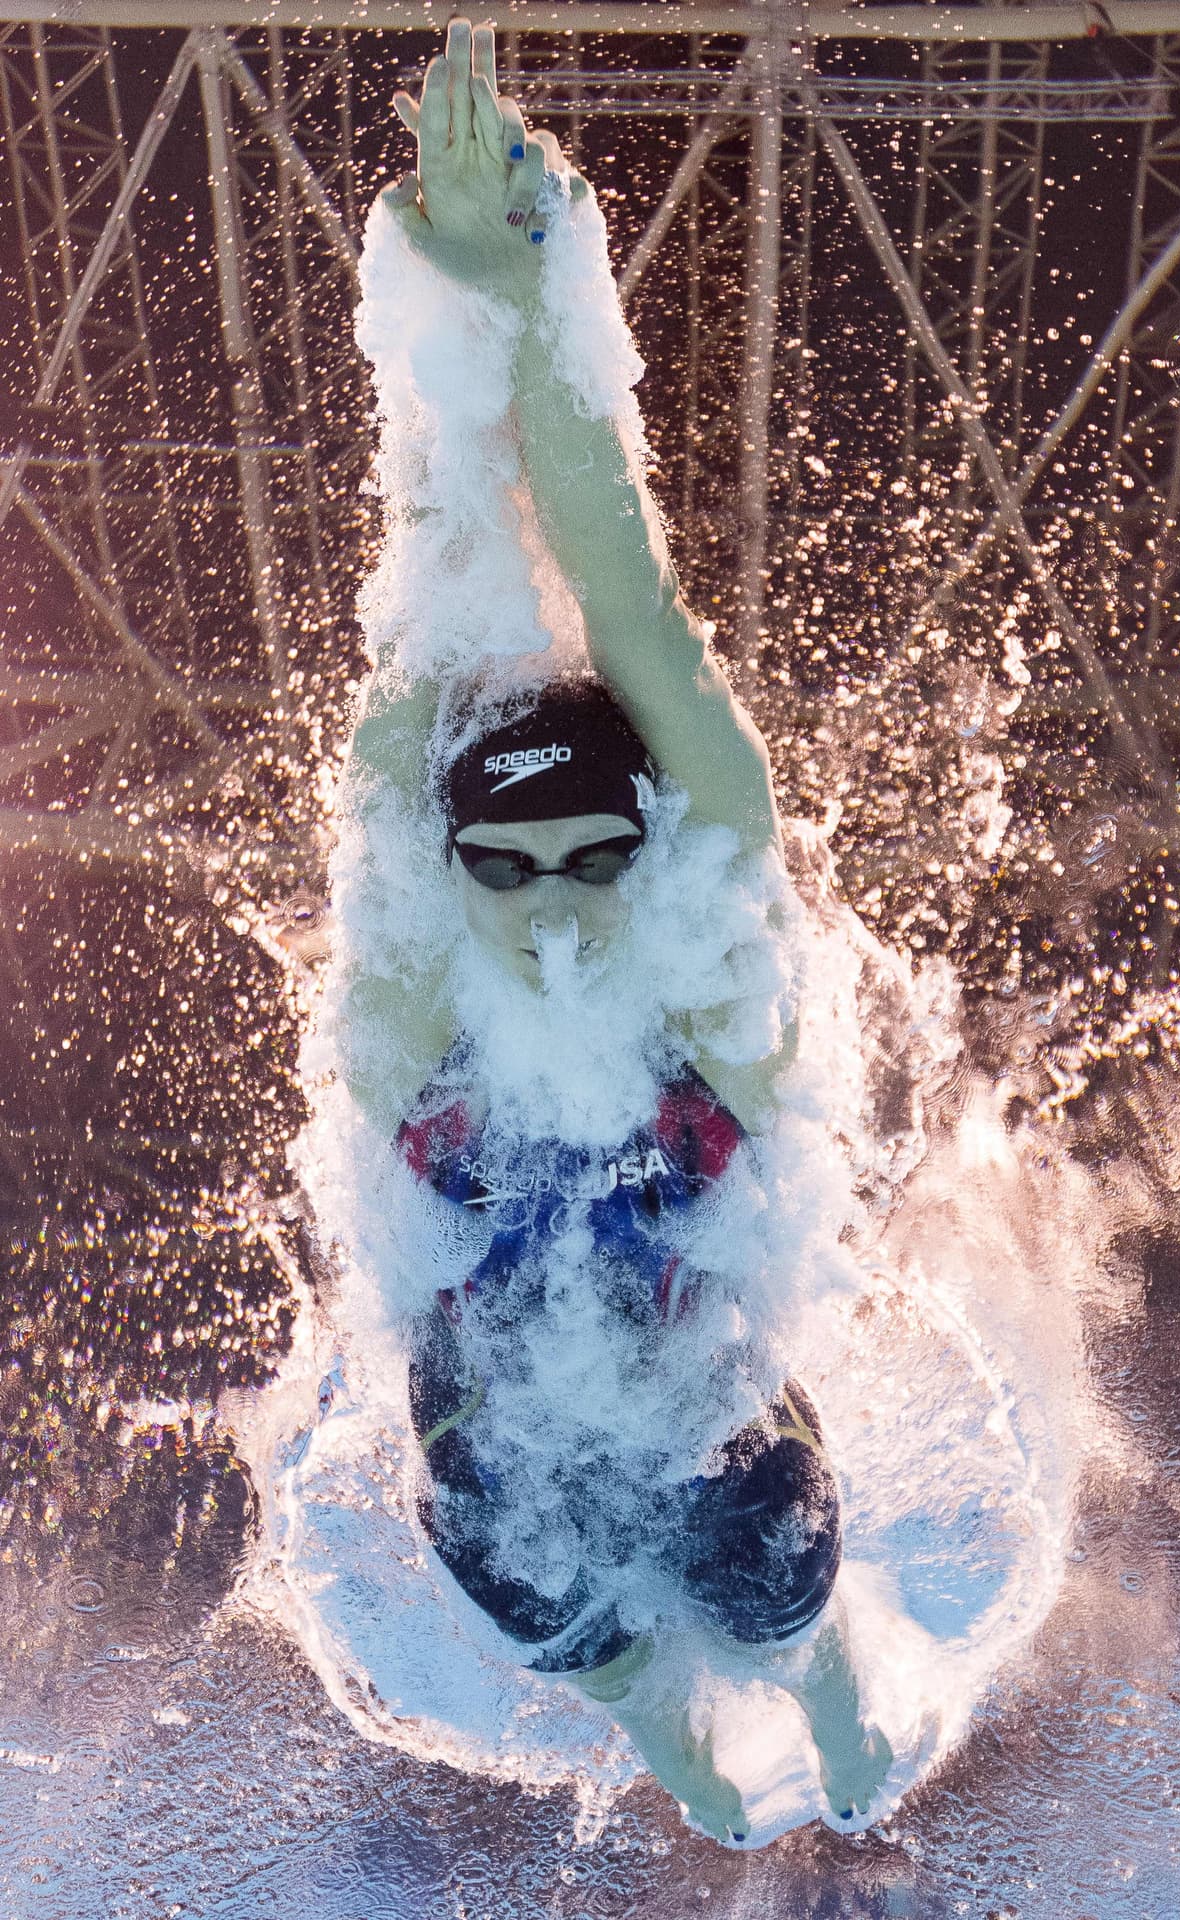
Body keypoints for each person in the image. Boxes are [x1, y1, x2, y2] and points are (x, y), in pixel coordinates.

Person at [343, 17, 892, 1845]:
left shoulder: (706, 973)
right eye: (509, 868)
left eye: (595, 856)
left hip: (713, 1419)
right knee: (550, 1595)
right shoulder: (412, 986)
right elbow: (437, 603)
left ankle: (826, 1689)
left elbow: (632, 609)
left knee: (768, 1575)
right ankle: (676, 1737)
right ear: (455, 874)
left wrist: (532, 301)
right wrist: (454, 314)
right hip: (497, 1441)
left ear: (646, 849)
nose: (561, 905)